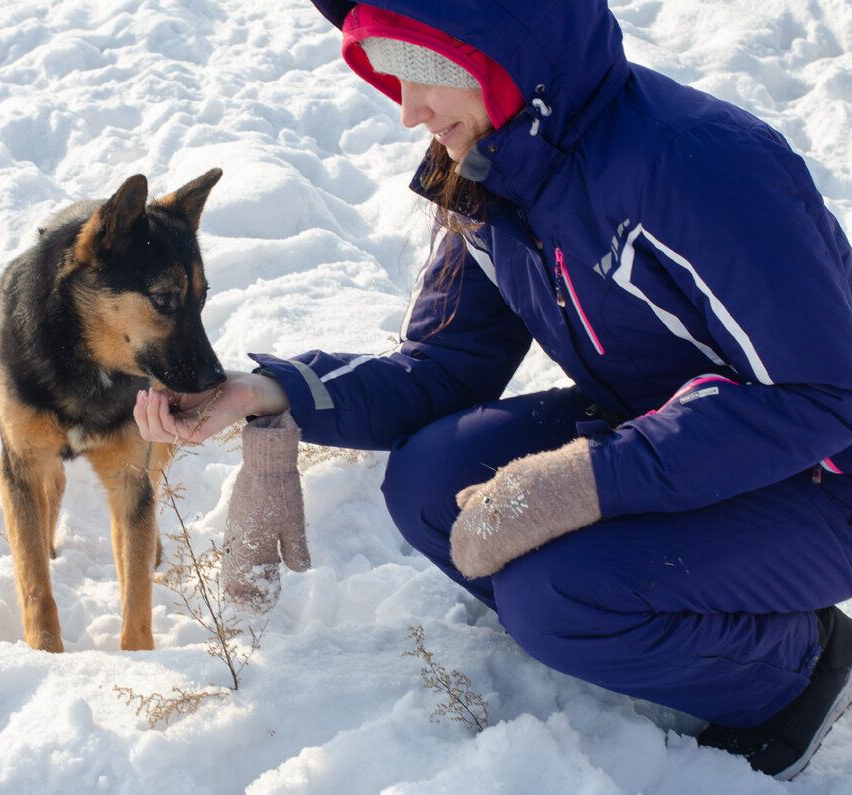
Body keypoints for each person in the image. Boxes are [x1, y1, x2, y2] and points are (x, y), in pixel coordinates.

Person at [134, 0, 852, 780]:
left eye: (419, 73)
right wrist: (269, 392)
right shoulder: (501, 165)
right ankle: (635, 619)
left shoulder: (694, 164)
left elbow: (825, 391)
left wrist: (588, 480)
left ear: (489, 51)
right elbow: (445, 367)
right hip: (673, 435)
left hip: (822, 478)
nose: (408, 111)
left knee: (557, 595)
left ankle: (796, 665)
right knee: (430, 480)